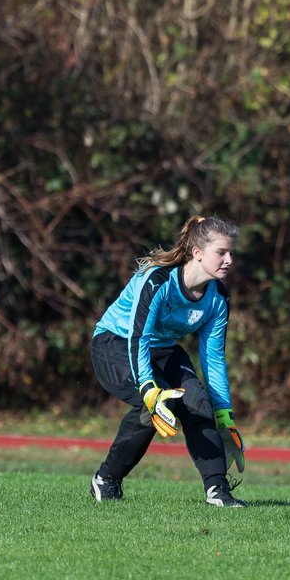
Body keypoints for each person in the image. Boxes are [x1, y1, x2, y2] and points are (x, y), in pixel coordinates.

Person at [88, 215, 247, 507]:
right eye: (221, 252)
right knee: (156, 405)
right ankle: (106, 479)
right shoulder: (158, 279)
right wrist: (149, 390)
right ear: (197, 253)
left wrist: (224, 413)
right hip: (115, 344)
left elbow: (213, 358)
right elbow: (139, 338)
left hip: (161, 348)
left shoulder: (218, 298)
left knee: (199, 403)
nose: (229, 260)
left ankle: (218, 490)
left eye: (231, 252)